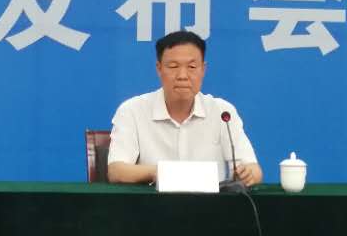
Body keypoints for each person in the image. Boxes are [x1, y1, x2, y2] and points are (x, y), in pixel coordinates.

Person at [107, 30, 262, 186]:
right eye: (173, 66)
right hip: (152, 200)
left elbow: (254, 170)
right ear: (159, 69)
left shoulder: (222, 112)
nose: (182, 75)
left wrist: (247, 174)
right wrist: (161, 172)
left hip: (211, 201)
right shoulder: (132, 110)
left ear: (203, 69)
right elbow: (116, 171)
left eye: (192, 67)